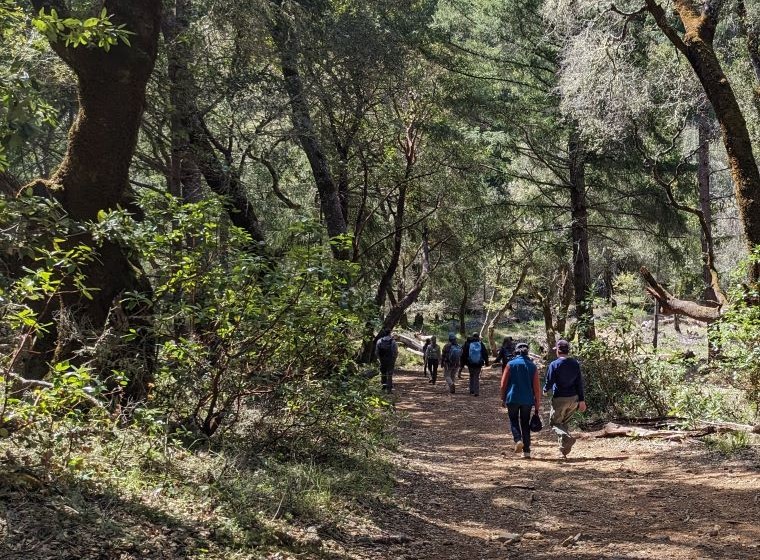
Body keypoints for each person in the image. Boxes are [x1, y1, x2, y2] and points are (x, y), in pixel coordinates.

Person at [543, 339, 586, 457]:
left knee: (554, 423)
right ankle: (564, 451)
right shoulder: (575, 363)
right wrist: (582, 400)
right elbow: (579, 383)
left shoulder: (554, 364)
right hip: (574, 399)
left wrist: (545, 390)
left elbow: (549, 380)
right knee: (564, 424)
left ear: (558, 350)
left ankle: (567, 438)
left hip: (560, 398)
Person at [499, 343, 540, 459]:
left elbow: (503, 384)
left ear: (516, 352)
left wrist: (503, 398)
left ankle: (518, 440)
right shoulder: (532, 366)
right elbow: (537, 389)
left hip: (512, 398)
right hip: (527, 400)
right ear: (527, 352)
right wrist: (537, 405)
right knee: (525, 423)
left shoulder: (510, 364)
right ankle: (526, 451)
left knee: (513, 420)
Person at [461, 332, 489, 396]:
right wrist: (486, 362)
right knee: (476, 377)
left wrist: (463, 363)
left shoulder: (467, 343)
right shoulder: (480, 344)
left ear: (472, 336)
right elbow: (485, 353)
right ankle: (476, 392)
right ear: (478, 337)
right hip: (478, 363)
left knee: (471, 375)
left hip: (470, 363)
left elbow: (463, 354)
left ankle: (471, 390)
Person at [375, 329, 398, 393]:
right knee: (390, 373)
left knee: (383, 373)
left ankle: (383, 387)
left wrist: (379, 358)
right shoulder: (393, 341)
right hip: (390, 359)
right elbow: (395, 351)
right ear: (389, 333)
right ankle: (389, 389)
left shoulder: (379, 341)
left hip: (382, 359)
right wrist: (394, 358)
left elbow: (376, 351)